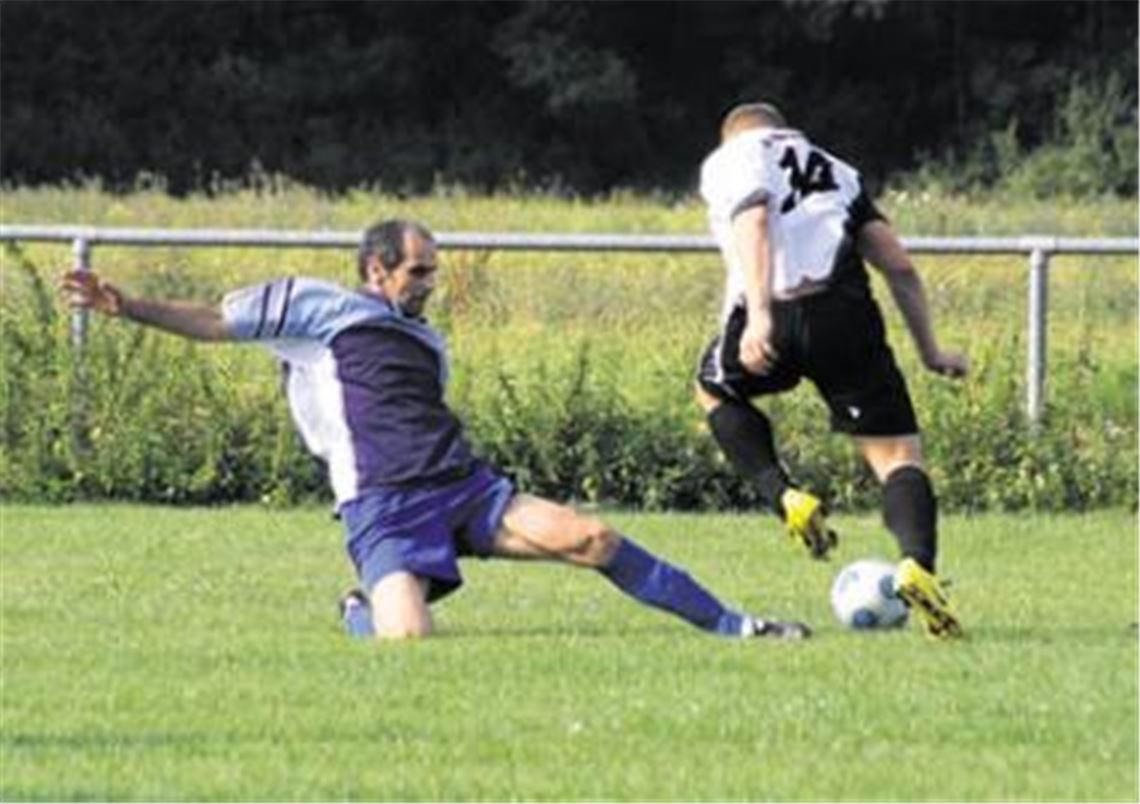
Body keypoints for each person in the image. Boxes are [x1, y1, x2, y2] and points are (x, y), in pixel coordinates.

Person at [61, 218, 810, 642]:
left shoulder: (428, 343)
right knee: (408, 645)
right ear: (376, 270)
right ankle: (362, 609)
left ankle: (738, 628)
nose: (429, 284)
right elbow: (215, 321)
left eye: (432, 272)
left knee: (594, 538)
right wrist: (127, 305)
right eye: (417, 272)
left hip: (464, 489)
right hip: (380, 503)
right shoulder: (316, 308)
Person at [694, 101, 968, 639]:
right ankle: (917, 565)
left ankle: (784, 494)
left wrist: (762, 317)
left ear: (733, 136)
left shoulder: (730, 159)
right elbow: (897, 262)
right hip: (844, 314)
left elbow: (753, 220)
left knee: (713, 391)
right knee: (897, 458)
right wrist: (932, 350)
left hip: (769, 308)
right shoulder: (835, 169)